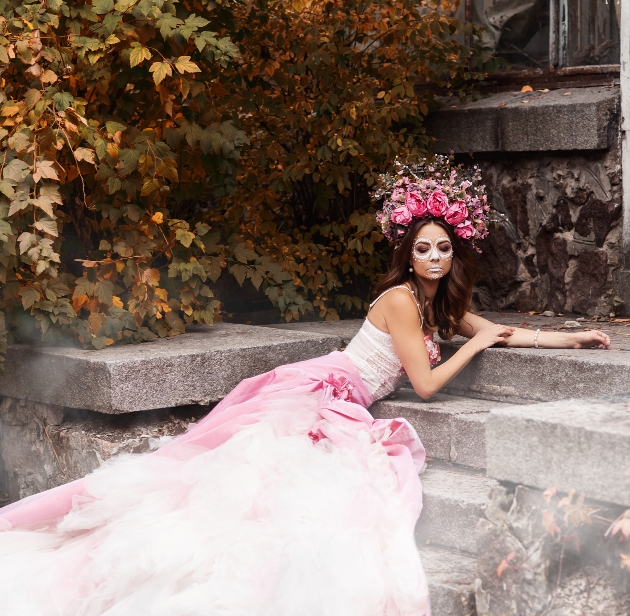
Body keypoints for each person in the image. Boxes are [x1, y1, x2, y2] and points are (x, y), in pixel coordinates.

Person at [0, 159, 610, 615]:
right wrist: (474, 345)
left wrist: (574, 341)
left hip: (345, 395)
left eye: (443, 249)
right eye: (422, 248)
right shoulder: (401, 301)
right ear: (407, 253)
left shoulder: (439, 302)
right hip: (327, 391)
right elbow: (425, 385)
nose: (433, 257)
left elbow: (500, 332)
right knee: (270, 488)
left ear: (453, 256)